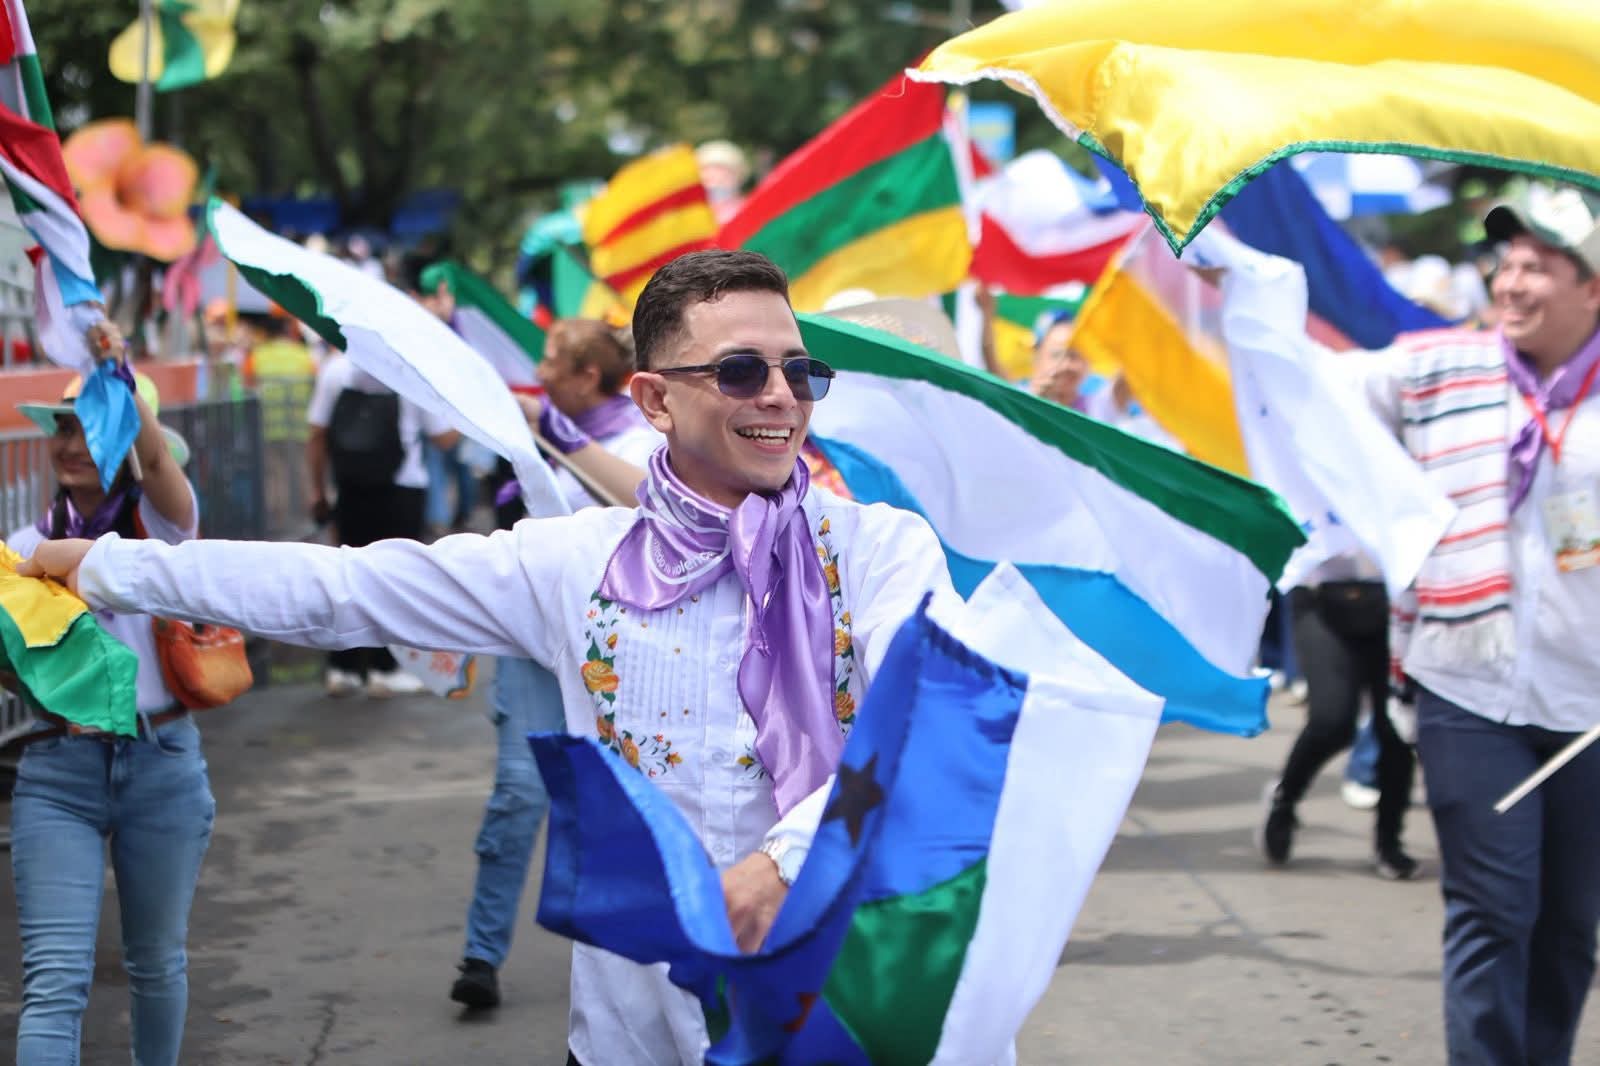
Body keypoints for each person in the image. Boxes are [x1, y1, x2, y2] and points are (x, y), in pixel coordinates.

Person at [26, 250, 951, 1065]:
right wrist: (107, 564)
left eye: (800, 370)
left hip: (829, 1002)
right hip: (631, 1027)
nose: (781, 395)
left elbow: (929, 719)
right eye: (743, 370)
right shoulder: (574, 561)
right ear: (655, 399)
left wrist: (784, 865)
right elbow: (338, 588)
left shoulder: (876, 550)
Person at [1225, 187, 1600, 1066]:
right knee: (1492, 905)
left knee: (1569, 922)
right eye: (1504, 264)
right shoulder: (1439, 367)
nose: (1511, 283)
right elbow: (1302, 385)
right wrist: (1246, 279)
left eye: (1537, 268)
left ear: (1593, 289)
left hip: (1589, 708)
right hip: (1466, 683)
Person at [6, 322, 211, 1066]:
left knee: (156, 965)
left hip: (162, 764)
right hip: (57, 771)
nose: (66, 444)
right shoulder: (26, 547)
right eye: (59, 428)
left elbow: (155, 458)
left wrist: (115, 369)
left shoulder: (164, 530)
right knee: (54, 980)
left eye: (85, 428)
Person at [448, 319, 661, 1011]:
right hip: (531, 644)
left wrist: (558, 441)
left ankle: (618, 969)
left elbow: (642, 511)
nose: (538, 370)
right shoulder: (529, 434)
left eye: (550, 360)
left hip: (610, 647)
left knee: (610, 803)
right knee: (517, 794)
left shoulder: (638, 442)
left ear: (586, 377)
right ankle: (481, 955)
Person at [305, 349, 459, 699]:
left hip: (351, 487)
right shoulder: (410, 369)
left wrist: (317, 490)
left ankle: (341, 668)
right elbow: (444, 438)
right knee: (395, 581)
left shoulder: (336, 369)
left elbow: (316, 433)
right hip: (401, 489)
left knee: (347, 577)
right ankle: (384, 669)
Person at [1257, 551, 1418, 880]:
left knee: (1397, 725)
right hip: (1321, 595)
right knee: (1333, 720)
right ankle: (1285, 798)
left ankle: (1389, 841)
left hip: (1397, 595)